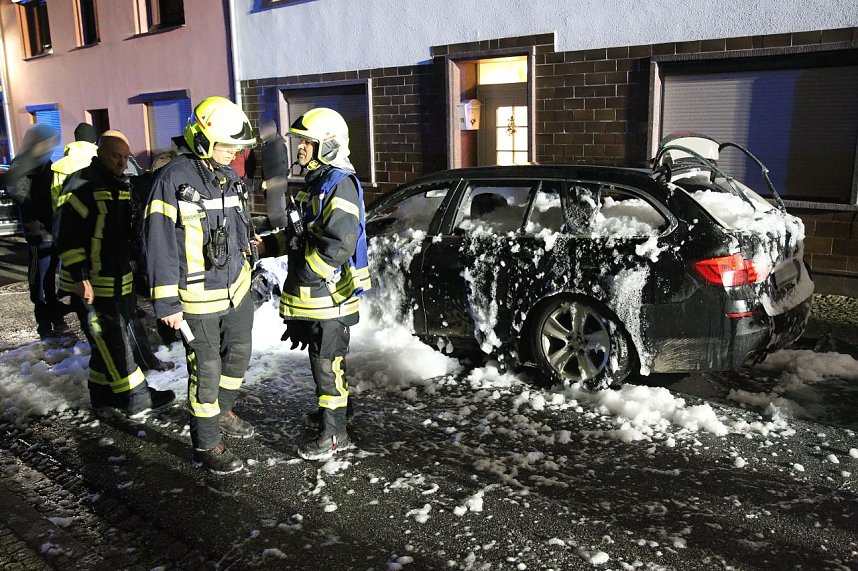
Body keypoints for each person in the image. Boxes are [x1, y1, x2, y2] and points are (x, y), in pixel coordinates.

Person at [144, 96, 257, 475]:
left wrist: (250, 250)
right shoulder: (172, 178)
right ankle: (206, 443)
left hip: (237, 289)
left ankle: (223, 410)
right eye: (226, 145)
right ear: (203, 137)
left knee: (239, 354)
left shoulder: (230, 176)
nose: (232, 153)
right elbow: (157, 242)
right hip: (196, 299)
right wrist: (167, 304)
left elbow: (238, 226)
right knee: (206, 368)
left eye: (235, 147)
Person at [259, 108, 372, 461]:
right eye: (301, 142)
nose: (300, 149)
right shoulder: (317, 184)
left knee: (327, 366)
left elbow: (339, 244)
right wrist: (267, 245)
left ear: (329, 145)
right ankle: (336, 413)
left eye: (307, 142)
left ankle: (335, 434)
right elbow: (300, 234)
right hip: (318, 299)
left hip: (329, 300)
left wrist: (305, 275)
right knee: (325, 365)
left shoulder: (339, 184)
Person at [54, 130, 175, 417]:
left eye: (125, 157)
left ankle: (102, 393)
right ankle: (136, 396)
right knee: (113, 339)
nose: (121, 162)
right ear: (100, 154)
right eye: (115, 156)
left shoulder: (120, 184)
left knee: (105, 340)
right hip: (91, 281)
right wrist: (80, 275)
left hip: (118, 278)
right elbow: (65, 234)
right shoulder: (81, 184)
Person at [5, 124, 66, 338]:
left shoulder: (46, 163)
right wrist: (37, 206)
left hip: (52, 228)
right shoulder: (22, 163)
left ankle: (55, 312)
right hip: (37, 231)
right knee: (38, 276)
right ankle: (43, 317)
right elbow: (17, 192)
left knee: (51, 274)